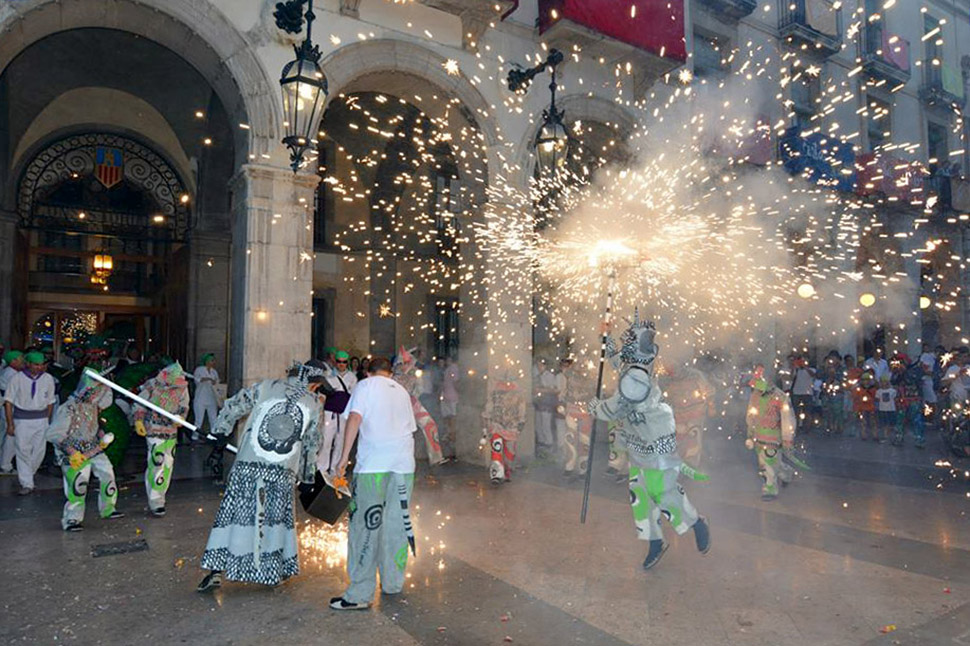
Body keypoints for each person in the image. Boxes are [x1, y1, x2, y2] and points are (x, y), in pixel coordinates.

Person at [589, 311, 710, 571]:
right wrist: (606, 335)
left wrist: (596, 408)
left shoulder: (637, 376)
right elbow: (614, 360)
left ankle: (696, 522)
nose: (625, 345)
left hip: (655, 443)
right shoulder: (631, 365)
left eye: (627, 340)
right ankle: (655, 541)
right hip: (638, 443)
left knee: (663, 494)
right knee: (640, 497)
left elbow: (616, 408)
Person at [197, 360, 328, 591]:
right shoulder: (313, 404)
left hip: (247, 466)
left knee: (232, 518)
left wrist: (220, 432)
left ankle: (216, 571)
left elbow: (234, 405)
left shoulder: (265, 386)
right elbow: (311, 445)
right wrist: (307, 479)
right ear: (314, 384)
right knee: (274, 523)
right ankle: (271, 573)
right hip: (281, 473)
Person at [329, 357, 418, 610]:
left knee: (365, 526)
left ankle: (359, 594)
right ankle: (392, 583)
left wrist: (343, 458)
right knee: (396, 525)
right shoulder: (401, 390)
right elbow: (409, 429)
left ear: (368, 373)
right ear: (389, 373)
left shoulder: (365, 387)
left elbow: (354, 419)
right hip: (403, 467)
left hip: (373, 469)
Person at [45, 373, 125, 531]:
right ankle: (72, 519)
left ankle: (108, 509)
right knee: (78, 484)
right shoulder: (68, 408)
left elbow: (94, 425)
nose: (98, 395)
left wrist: (101, 434)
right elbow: (54, 434)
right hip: (72, 451)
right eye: (96, 391)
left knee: (107, 475)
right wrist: (71, 451)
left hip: (94, 448)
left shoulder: (93, 406)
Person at [133, 362, 190, 516]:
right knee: (157, 462)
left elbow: (184, 406)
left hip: (171, 431)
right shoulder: (152, 385)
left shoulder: (182, 387)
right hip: (153, 429)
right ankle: (156, 501)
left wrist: (181, 417)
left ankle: (160, 496)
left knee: (167, 465)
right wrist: (138, 420)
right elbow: (140, 402)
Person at [3, 351, 56, 494]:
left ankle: (28, 474)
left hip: (41, 419)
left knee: (39, 451)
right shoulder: (17, 378)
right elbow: (8, 402)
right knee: (22, 450)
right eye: (36, 364)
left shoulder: (48, 379)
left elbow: (50, 402)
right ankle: (27, 483)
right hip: (22, 420)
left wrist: (48, 420)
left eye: (42, 365)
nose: (39, 367)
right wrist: (10, 424)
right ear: (28, 364)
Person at [745, 368, 796, 501]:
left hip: (774, 439)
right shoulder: (755, 395)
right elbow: (751, 414)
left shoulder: (780, 397)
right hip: (759, 437)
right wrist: (750, 432)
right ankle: (786, 473)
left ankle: (770, 488)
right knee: (766, 464)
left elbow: (788, 419)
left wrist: (787, 438)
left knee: (769, 463)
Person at [393, 347, 445, 465]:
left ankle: (436, 457)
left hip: (412, 403)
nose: (407, 365)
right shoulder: (393, 376)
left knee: (429, 425)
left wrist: (414, 397)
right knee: (400, 433)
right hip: (397, 407)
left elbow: (419, 389)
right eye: (404, 363)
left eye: (408, 362)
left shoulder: (415, 373)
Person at [660, 362, 714, 467]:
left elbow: (709, 391)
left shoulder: (695, 376)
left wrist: (711, 407)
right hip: (676, 414)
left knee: (693, 439)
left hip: (695, 413)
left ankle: (691, 465)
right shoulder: (664, 378)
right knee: (676, 439)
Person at [481, 378, 526, 484]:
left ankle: (507, 471)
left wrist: (521, 423)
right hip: (497, 425)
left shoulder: (518, 395)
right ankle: (496, 474)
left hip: (512, 427)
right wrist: (486, 426)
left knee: (510, 453)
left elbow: (522, 410)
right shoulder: (494, 394)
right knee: (496, 449)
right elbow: (488, 409)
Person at [558, 358, 594, 478]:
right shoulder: (569, 376)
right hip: (571, 412)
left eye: (582, 365)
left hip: (585, 414)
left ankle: (583, 469)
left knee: (584, 442)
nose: (580, 367)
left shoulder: (590, 380)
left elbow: (593, 396)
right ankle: (569, 467)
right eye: (578, 365)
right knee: (570, 439)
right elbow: (565, 393)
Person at [892, 354, 925, 448]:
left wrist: (922, 399)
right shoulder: (897, 372)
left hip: (914, 398)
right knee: (900, 419)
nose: (899, 364)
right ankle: (899, 438)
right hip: (902, 399)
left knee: (917, 420)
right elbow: (893, 381)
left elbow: (916, 382)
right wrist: (898, 373)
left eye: (901, 362)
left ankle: (919, 439)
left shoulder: (915, 370)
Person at [0, 350, 24, 475]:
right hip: (10, 409)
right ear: (13, 361)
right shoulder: (11, 374)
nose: (23, 362)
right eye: (21, 359)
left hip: (9, 408)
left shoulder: (12, 373)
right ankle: (5, 465)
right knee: (10, 436)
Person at [533, 358, 559, 458]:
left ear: (545, 366)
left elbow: (554, 390)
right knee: (538, 425)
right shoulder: (537, 376)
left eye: (541, 365)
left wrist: (541, 390)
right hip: (538, 403)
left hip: (546, 403)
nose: (539, 367)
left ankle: (549, 444)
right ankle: (541, 444)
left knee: (546, 425)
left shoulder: (550, 376)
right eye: (538, 365)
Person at [192, 353, 221, 440]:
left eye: (214, 360)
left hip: (211, 398)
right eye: (212, 360)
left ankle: (213, 436)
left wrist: (215, 382)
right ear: (207, 361)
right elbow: (196, 379)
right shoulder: (199, 370)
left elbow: (217, 383)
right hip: (200, 398)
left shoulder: (214, 371)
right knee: (199, 420)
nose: (213, 362)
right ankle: (195, 436)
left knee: (213, 419)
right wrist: (206, 379)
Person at [440, 356, 460, 459]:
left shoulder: (448, 369)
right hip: (452, 398)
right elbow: (456, 382)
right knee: (452, 419)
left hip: (446, 397)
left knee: (448, 420)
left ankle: (450, 443)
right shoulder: (453, 368)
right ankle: (452, 444)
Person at [789, 357, 815, 434]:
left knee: (808, 412)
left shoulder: (811, 369)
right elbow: (791, 378)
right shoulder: (796, 370)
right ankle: (796, 428)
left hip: (807, 393)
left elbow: (813, 375)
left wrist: (805, 367)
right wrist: (794, 368)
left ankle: (807, 429)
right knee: (796, 412)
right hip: (796, 393)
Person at [852, 369, 877, 440]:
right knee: (863, 422)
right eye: (864, 380)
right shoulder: (858, 388)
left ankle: (874, 434)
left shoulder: (873, 388)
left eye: (867, 380)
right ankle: (864, 435)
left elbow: (875, 396)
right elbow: (854, 397)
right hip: (862, 408)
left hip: (871, 407)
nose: (866, 381)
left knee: (873, 422)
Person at [874, 374, 896, 444]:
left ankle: (892, 437)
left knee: (891, 424)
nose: (883, 383)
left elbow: (895, 398)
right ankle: (885, 436)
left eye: (885, 382)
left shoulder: (892, 391)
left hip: (891, 409)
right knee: (884, 424)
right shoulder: (878, 391)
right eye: (882, 382)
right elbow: (877, 399)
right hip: (882, 409)